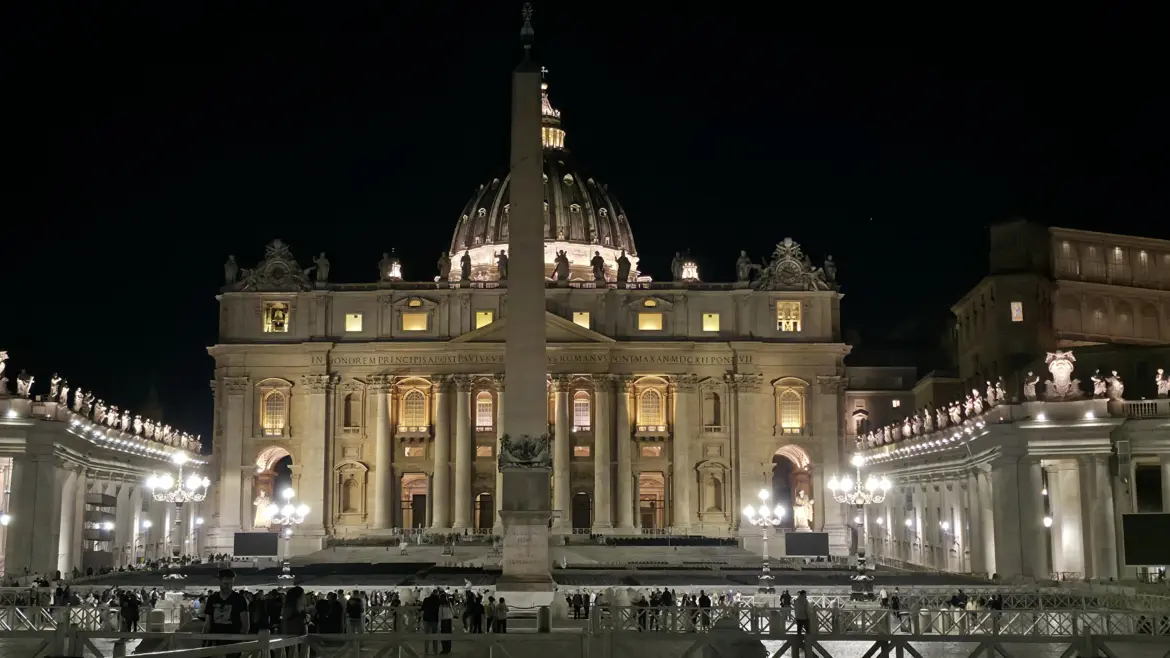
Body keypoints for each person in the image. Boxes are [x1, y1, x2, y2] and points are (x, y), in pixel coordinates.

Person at [203, 569, 250, 656]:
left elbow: (245, 625)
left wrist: (240, 642)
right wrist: (204, 641)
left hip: (233, 642)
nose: (228, 586)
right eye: (225, 584)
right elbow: (207, 624)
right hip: (215, 641)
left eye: (231, 584)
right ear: (220, 582)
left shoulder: (239, 599)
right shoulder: (212, 599)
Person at [422, 589, 441, 654]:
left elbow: (422, 608)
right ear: (437, 594)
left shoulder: (426, 599)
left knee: (426, 635)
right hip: (434, 619)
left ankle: (426, 650)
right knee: (434, 635)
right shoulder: (438, 601)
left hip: (426, 618)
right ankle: (435, 650)